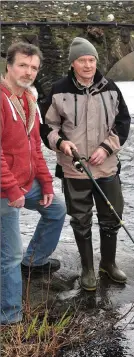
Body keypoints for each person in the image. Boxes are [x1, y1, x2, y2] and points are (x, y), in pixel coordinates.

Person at [40, 37, 131, 292]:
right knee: (80, 220)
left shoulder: (111, 88)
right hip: (74, 169)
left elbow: (123, 123)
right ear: (73, 64)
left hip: (107, 167)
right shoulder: (58, 91)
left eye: (91, 60)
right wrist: (61, 144)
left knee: (112, 217)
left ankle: (108, 264)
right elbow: (46, 127)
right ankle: (88, 268)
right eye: (82, 60)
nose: (88, 65)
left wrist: (106, 148)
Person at [0, 42, 66, 324]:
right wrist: (12, 190)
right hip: (4, 189)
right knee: (9, 256)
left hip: (26, 182)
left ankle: (35, 261)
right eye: (23, 65)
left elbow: (35, 148)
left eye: (34, 67)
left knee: (56, 210)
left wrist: (47, 184)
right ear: (9, 66)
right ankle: (10, 316)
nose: (28, 72)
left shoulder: (29, 99)